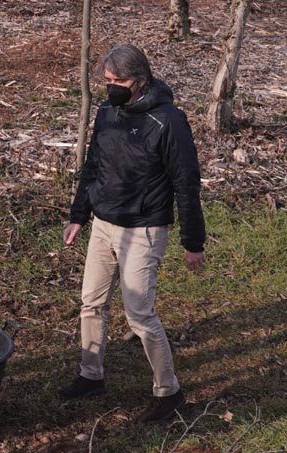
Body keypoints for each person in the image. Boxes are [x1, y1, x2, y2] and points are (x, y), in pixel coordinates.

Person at [60, 44, 207, 424]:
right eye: (107, 81)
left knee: (139, 315)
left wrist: (193, 243)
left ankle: (168, 391)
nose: (111, 88)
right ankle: (91, 376)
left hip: (144, 230)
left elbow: (187, 184)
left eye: (118, 81)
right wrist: (80, 215)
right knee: (90, 303)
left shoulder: (169, 122)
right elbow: (93, 165)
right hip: (104, 227)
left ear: (140, 81)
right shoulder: (107, 111)